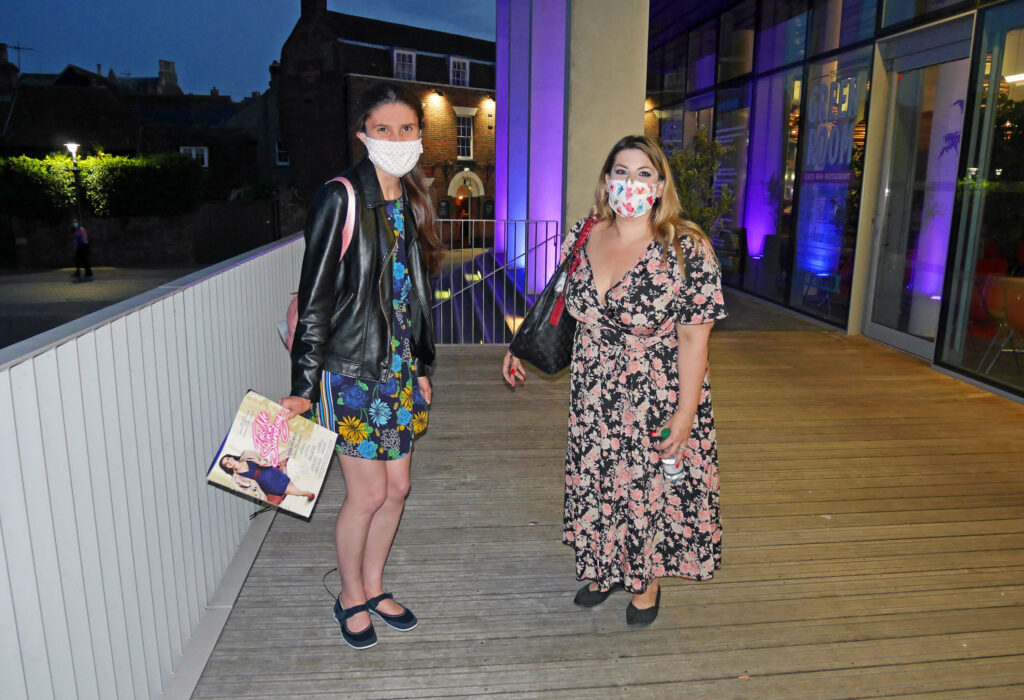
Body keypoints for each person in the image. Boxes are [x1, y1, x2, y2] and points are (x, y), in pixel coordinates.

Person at [502, 135, 727, 626]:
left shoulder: (686, 249)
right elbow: (559, 299)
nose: (631, 182)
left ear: (661, 184)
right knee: (599, 481)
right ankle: (606, 568)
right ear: (607, 181)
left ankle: (645, 583)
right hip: (592, 391)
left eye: (644, 173)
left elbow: (694, 341)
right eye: (621, 172)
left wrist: (685, 414)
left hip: (655, 393)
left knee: (645, 489)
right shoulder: (584, 234)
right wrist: (519, 345)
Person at [278, 82, 441, 650]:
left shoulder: (410, 201)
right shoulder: (340, 197)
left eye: (407, 129)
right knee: (367, 495)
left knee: (398, 488)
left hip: (396, 371)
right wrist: (303, 385)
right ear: (363, 136)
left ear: (419, 136)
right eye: (384, 130)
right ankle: (349, 594)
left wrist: (420, 363)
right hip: (349, 371)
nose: (397, 140)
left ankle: (373, 586)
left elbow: (410, 295)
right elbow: (316, 296)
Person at [218, 450, 316, 501]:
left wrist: (262, 462)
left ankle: (302, 493)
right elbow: (247, 491)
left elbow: (262, 457)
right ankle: (305, 493)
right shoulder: (237, 480)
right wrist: (257, 492)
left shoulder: (247, 454)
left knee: (289, 485)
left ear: (231, 457)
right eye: (226, 464)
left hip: (270, 472)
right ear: (227, 468)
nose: (229, 462)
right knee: (288, 490)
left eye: (228, 459)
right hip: (267, 485)